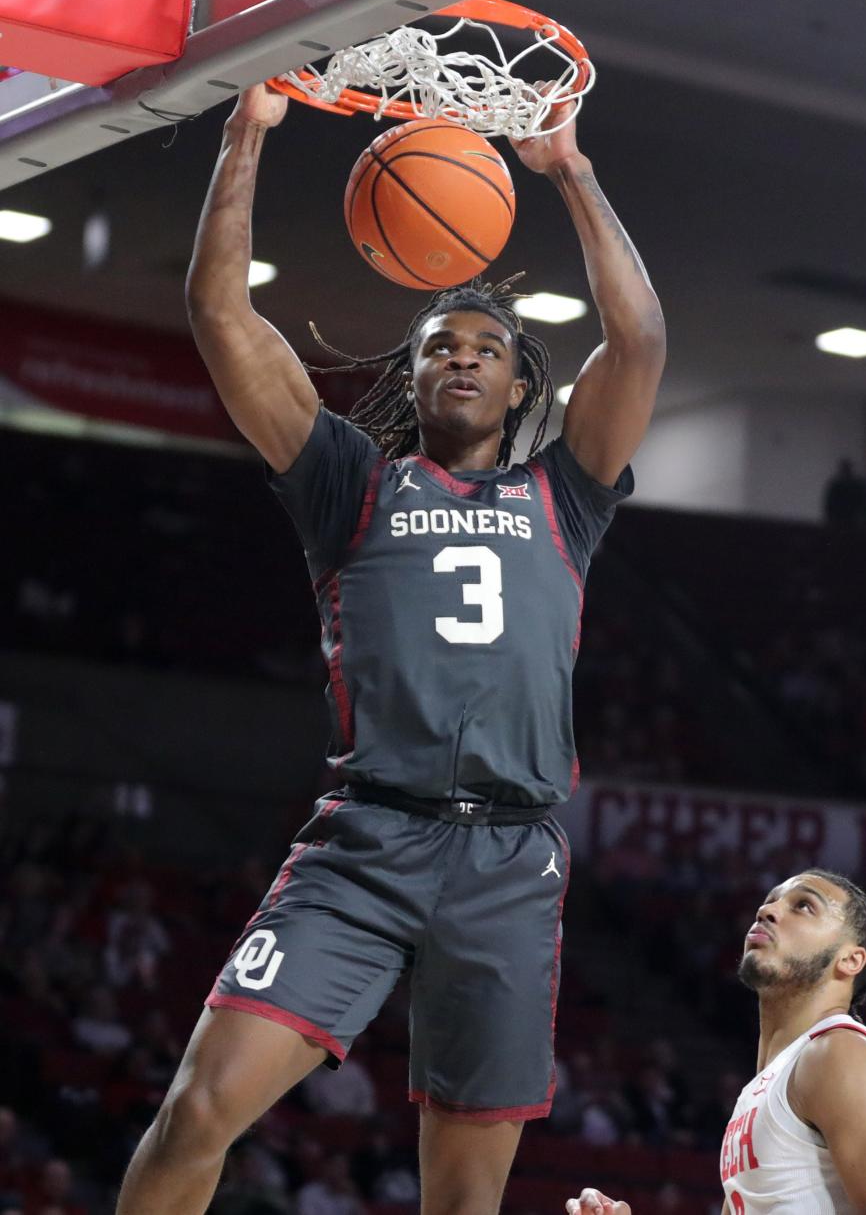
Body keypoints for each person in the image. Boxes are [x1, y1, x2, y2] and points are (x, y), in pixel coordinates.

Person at [114, 79, 666, 1215]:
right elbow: (224, 317)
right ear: (410, 380)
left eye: (485, 347)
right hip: (368, 838)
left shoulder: (567, 496)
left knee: (462, 1205)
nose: (459, 357)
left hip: (511, 863)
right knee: (197, 1113)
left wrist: (569, 170)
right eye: (436, 346)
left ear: (522, 386)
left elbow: (641, 339)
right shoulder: (349, 484)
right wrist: (244, 137)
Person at [565, 868, 866, 1215]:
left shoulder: (842, 1054)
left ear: (850, 959)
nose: (767, 910)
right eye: (771, 900)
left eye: (803, 906)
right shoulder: (762, 1088)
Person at [822, 458, 866, 529]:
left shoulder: (858, 486)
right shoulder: (836, 486)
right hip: (842, 525)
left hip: (852, 525)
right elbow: (829, 509)